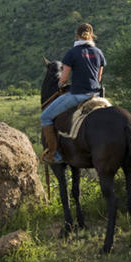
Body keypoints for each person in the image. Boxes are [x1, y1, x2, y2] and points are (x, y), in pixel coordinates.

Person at [39, 23, 106, 163]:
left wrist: (60, 85)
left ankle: (54, 154)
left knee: (45, 117)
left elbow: (63, 78)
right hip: (96, 95)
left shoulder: (72, 53)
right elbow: (98, 78)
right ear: (92, 35)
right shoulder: (99, 52)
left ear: (76, 35)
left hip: (77, 95)